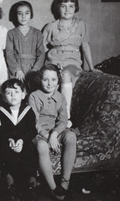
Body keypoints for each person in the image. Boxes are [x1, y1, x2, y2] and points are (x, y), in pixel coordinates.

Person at [42, 0, 101, 126]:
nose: (67, 9)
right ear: (58, 8)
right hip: (53, 61)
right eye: (63, 6)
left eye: (71, 6)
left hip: (72, 62)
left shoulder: (81, 25)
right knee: (49, 79)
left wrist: (91, 67)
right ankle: (48, 117)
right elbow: (41, 48)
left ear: (76, 8)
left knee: (65, 75)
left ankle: (65, 116)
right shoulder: (51, 26)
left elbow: (85, 45)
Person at [28, 64, 76, 201]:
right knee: (42, 146)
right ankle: (54, 188)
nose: (50, 84)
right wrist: (47, 137)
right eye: (45, 80)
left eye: (53, 80)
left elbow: (63, 120)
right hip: (40, 132)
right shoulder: (34, 96)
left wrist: (54, 134)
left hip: (56, 131)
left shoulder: (60, 97)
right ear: (40, 80)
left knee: (71, 136)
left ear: (58, 81)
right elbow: (34, 122)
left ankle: (65, 183)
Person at [0, 78, 37, 200]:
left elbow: (32, 130)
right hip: (7, 142)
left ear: (23, 94)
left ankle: (31, 180)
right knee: (4, 150)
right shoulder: (0, 111)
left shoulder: (28, 110)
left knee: (30, 148)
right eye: (9, 93)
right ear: (3, 97)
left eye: (16, 92)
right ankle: (10, 180)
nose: (13, 95)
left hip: (23, 141)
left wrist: (22, 140)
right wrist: (8, 140)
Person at [6, 1, 44, 81]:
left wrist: (35, 70)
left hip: (33, 68)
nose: (23, 16)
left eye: (26, 13)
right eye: (20, 13)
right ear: (15, 15)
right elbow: (9, 55)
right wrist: (17, 70)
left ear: (31, 14)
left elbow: (41, 54)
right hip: (17, 70)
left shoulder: (37, 33)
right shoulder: (11, 33)